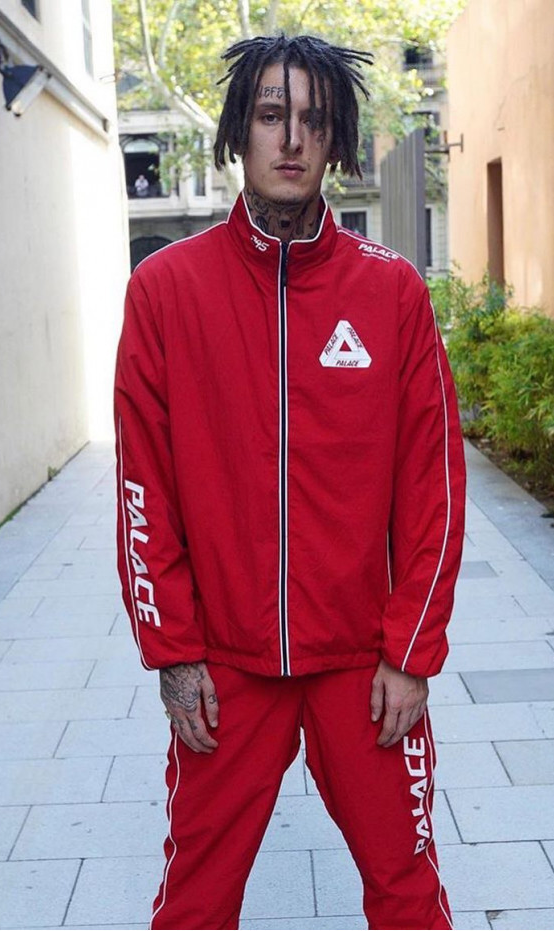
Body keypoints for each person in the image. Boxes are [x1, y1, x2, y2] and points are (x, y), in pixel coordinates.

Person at [114, 33, 466, 931]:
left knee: (407, 893)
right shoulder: (165, 290)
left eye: (313, 119)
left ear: (336, 138)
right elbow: (142, 489)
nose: (292, 138)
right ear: (239, 130)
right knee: (194, 901)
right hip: (224, 667)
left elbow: (433, 487)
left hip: (362, 664)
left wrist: (410, 652)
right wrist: (173, 651)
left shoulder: (391, 294)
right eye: (271, 115)